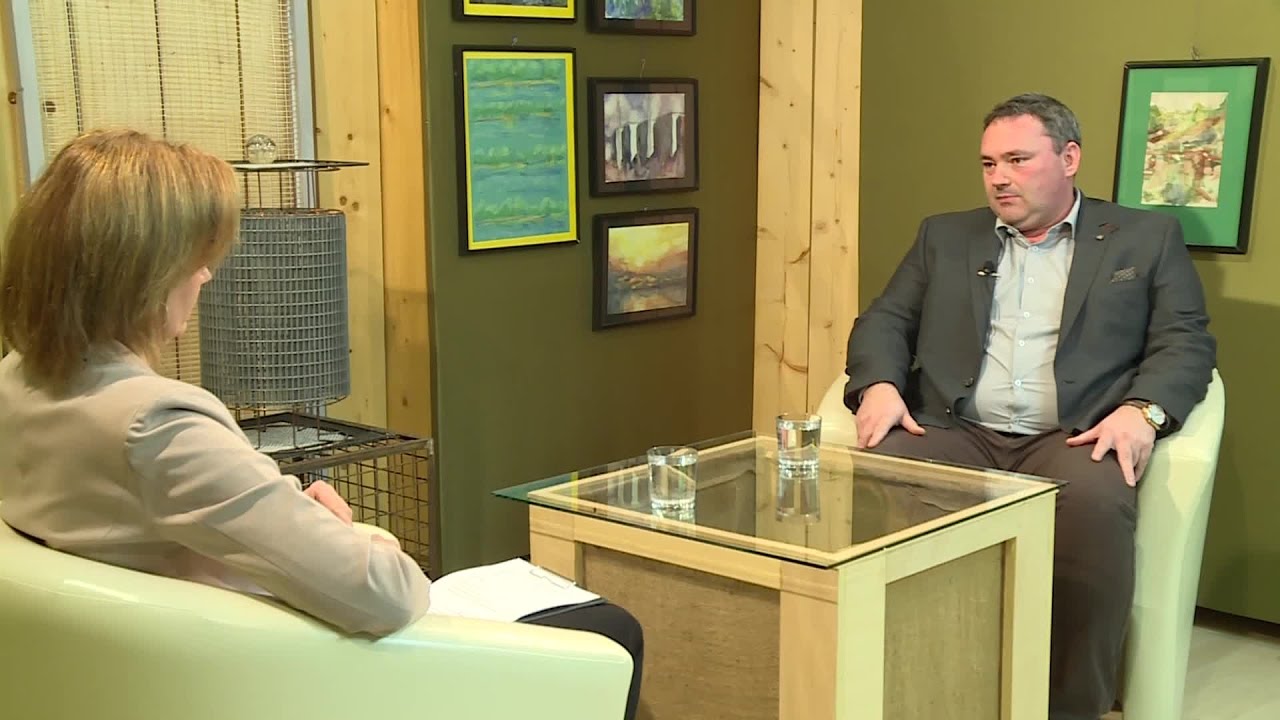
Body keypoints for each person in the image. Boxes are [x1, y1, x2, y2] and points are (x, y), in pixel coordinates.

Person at [0, 129, 642, 720]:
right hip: (272, 678)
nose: (206, 274)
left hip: (152, 669)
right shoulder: (158, 425)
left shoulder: (18, 381)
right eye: (194, 258)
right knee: (610, 630)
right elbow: (388, 594)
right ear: (138, 276)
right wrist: (356, 534)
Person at [844, 94, 1215, 720]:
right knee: (883, 481)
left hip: (1073, 433)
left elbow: (1185, 340)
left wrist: (1144, 410)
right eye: (989, 163)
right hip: (957, 427)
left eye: (1017, 160)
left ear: (1069, 159)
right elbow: (885, 321)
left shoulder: (1144, 238)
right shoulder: (944, 235)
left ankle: (1071, 705)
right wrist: (878, 383)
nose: (999, 178)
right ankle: (909, 687)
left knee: (1094, 508)